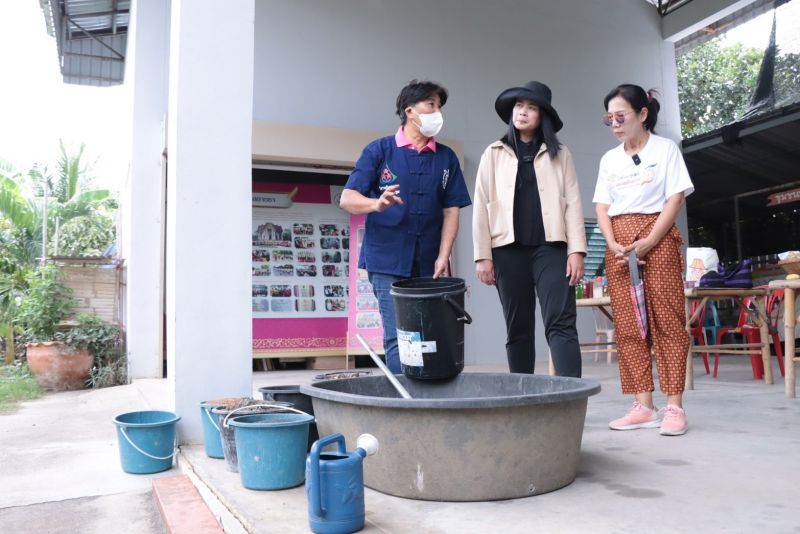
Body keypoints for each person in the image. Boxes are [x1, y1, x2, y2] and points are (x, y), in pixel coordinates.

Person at [340, 80, 472, 373]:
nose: (438, 112)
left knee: (429, 332)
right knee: (397, 334)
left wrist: (444, 256)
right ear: (410, 111)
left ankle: (426, 390)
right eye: (431, 105)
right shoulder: (379, 150)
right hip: (386, 259)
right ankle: (403, 394)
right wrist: (376, 204)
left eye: (440, 106)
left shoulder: (446, 157)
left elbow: (452, 210)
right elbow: (347, 198)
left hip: (429, 262)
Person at [593, 84, 694, 436]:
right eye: (609, 119)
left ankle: (674, 406)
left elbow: (676, 198)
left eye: (621, 117)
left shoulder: (665, 149)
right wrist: (612, 243)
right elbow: (602, 207)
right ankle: (643, 405)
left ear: (643, 113)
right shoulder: (609, 159)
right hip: (620, 246)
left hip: (658, 238)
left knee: (668, 320)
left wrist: (650, 241)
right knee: (629, 325)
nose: (615, 124)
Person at [472, 81, 587, 377]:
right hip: (507, 251)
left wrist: (577, 250)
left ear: (542, 115)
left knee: (561, 323)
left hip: (552, 249)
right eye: (519, 106)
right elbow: (481, 205)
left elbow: (574, 203)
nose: (522, 112)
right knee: (518, 328)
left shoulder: (561, 154)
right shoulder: (493, 153)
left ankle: (571, 397)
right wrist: (482, 256)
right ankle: (523, 396)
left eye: (531, 107)